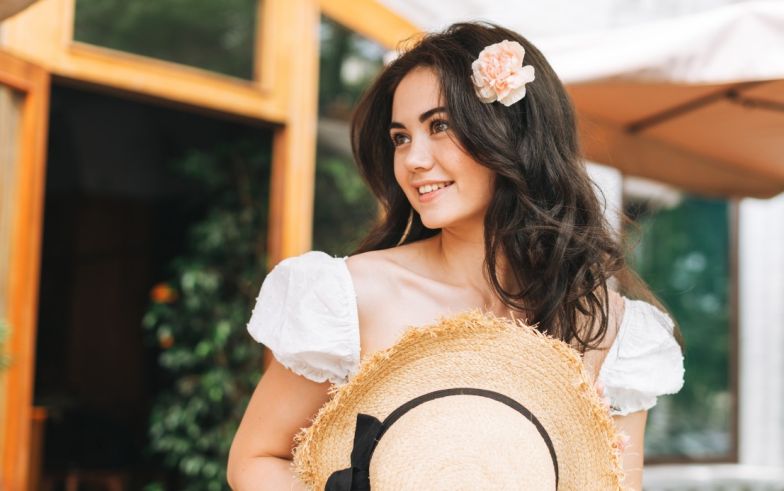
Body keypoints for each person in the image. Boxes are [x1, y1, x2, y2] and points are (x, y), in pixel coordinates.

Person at [227, 22, 684, 490]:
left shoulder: (609, 328)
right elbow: (256, 459)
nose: (412, 160)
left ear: (513, 134)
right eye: (400, 137)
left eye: (439, 126)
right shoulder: (351, 297)